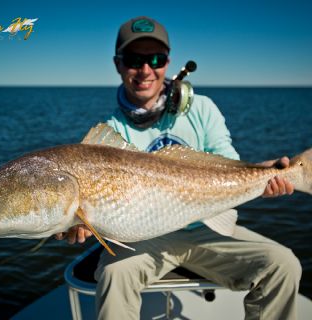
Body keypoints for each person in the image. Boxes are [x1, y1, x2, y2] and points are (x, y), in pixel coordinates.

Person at [56, 16, 301, 320]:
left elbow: (231, 164)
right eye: (134, 59)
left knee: (283, 264)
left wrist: (264, 174)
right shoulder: (109, 133)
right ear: (118, 64)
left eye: (155, 59)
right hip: (144, 238)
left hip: (206, 228)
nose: (145, 70)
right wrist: (78, 222)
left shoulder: (202, 109)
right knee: (114, 275)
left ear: (167, 63)